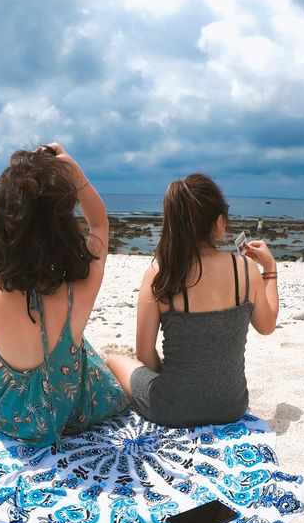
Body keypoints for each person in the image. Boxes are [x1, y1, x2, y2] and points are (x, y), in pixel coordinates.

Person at [0, 143, 127, 447]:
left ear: (0, 223)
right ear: (62, 228)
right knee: (97, 355)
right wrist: (75, 173)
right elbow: (100, 223)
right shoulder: (77, 292)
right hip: (73, 417)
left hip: (10, 420)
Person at [105, 174, 279, 428]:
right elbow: (267, 326)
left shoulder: (160, 273)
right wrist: (270, 269)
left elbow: (145, 353)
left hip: (169, 409)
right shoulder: (245, 268)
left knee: (113, 359)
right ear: (219, 222)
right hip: (231, 406)